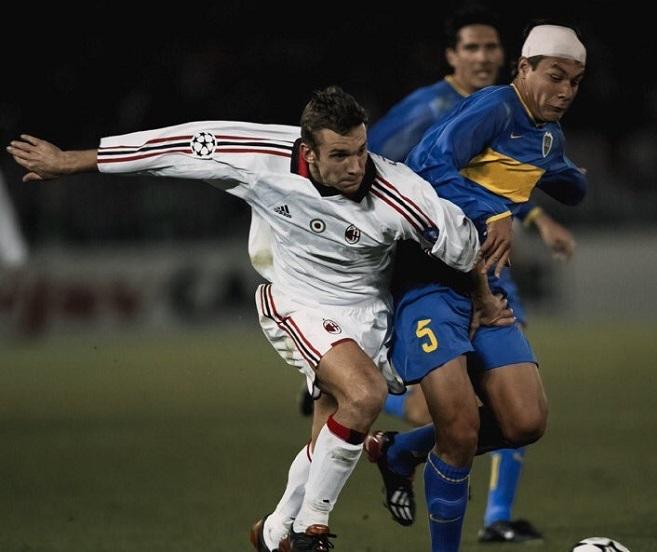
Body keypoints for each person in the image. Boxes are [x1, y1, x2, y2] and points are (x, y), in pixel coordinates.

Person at [6, 86, 495, 551]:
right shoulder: (262, 156)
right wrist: (74, 161)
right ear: (308, 150)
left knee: (332, 436)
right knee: (364, 395)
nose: (355, 166)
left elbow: (463, 246)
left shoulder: (398, 192)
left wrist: (484, 298)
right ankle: (309, 533)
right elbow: (179, 146)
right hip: (296, 303)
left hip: (369, 313)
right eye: (340, 156)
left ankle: (275, 531)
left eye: (361, 151)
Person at [362, 22, 587, 551]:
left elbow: (555, 175)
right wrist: (495, 212)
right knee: (459, 430)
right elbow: (426, 165)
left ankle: (402, 452)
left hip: (487, 288)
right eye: (555, 77)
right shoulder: (492, 107)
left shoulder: (548, 132)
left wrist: (570, 180)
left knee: (526, 421)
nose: (565, 91)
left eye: (576, 82)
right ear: (524, 68)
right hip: (427, 282)